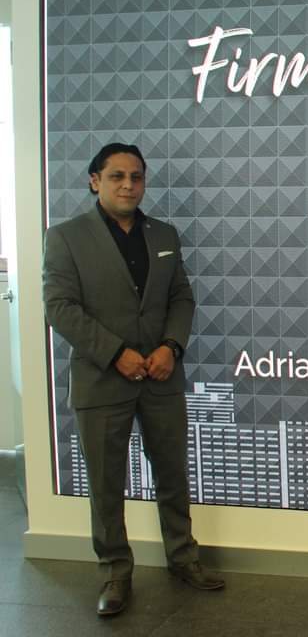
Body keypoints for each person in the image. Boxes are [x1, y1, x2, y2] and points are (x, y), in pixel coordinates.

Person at [43, 143, 225, 616]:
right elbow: (59, 307)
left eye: (137, 177)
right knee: (106, 484)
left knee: (173, 474)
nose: (128, 185)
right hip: (102, 380)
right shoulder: (65, 237)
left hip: (161, 376)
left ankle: (183, 559)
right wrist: (115, 354)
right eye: (117, 176)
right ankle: (114, 573)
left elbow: (181, 298)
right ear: (95, 181)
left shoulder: (163, 234)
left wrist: (172, 348)